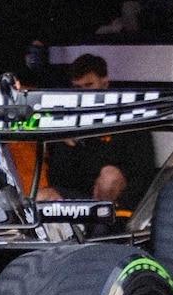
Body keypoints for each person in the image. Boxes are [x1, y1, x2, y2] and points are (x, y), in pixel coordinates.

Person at [45, 53, 156, 214]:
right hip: (79, 198)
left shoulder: (128, 116)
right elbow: (57, 180)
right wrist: (66, 146)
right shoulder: (67, 120)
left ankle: (103, 231)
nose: (83, 94)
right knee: (43, 195)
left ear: (105, 83)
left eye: (89, 85)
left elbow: (143, 172)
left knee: (109, 177)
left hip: (119, 203)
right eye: (77, 88)